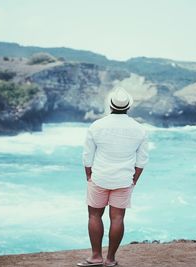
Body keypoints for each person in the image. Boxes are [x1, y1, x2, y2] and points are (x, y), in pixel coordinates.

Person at [78, 88, 149, 267]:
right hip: (124, 180)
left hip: (99, 177)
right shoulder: (139, 129)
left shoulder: (97, 126)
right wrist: (134, 180)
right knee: (117, 218)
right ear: (128, 107)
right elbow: (141, 161)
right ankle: (110, 259)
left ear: (111, 105)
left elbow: (87, 156)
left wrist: (89, 175)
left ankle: (95, 257)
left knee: (94, 215)